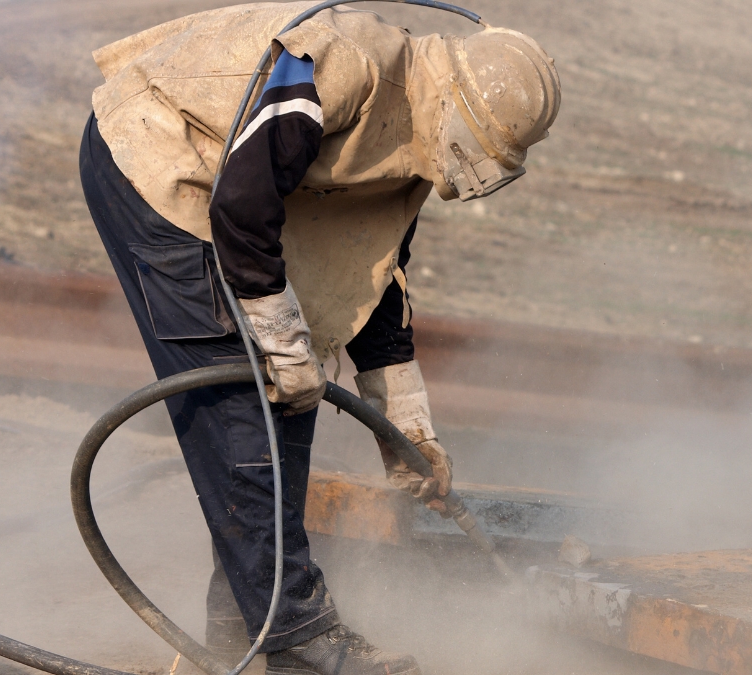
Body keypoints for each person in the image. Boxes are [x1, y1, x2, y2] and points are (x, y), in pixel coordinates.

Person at [78, 3, 560, 674]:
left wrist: (408, 430)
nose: (466, 175)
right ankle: (297, 636)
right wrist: (280, 341)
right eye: (475, 152)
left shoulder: (417, 122)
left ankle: (233, 640)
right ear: (456, 106)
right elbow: (241, 207)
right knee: (244, 400)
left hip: (237, 201)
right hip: (161, 163)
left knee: (287, 406)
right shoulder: (339, 68)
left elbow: (370, 267)